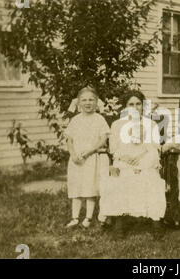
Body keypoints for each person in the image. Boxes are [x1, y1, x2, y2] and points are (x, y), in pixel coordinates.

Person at [99, 91, 166, 235]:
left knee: (151, 178)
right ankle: (119, 221)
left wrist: (141, 156)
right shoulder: (117, 125)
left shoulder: (151, 124)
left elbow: (155, 147)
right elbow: (113, 149)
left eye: (138, 104)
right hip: (124, 160)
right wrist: (124, 157)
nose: (135, 107)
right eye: (131, 104)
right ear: (125, 107)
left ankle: (155, 220)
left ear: (143, 106)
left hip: (146, 158)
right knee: (119, 179)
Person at [64, 87, 110, 228]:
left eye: (91, 100)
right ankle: (75, 217)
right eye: (84, 100)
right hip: (76, 158)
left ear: (96, 102)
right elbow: (69, 139)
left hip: (91, 158)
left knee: (90, 188)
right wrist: (72, 154)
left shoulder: (99, 119)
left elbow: (103, 139)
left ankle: (88, 218)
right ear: (78, 103)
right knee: (76, 187)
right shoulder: (75, 120)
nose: (88, 103)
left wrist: (90, 150)